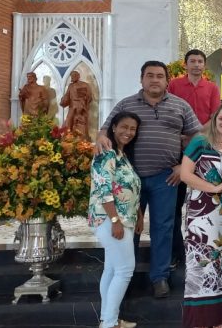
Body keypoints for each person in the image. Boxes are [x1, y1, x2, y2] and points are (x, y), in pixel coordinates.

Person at [97, 61, 202, 299]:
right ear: (141, 79)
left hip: (166, 177)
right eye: (150, 76)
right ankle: (127, 275)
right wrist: (99, 140)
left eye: (159, 76)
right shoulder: (126, 104)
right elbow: (105, 130)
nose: (155, 80)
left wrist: (182, 165)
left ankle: (160, 277)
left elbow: (198, 138)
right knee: (127, 228)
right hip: (128, 180)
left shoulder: (180, 105)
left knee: (163, 228)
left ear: (167, 80)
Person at [179, 103, 222, 328]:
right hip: (201, 212)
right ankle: (200, 318)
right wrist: (213, 188)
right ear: (215, 119)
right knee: (202, 260)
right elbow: (185, 174)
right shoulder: (200, 142)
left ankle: (220, 317)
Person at [88, 111, 144, 328]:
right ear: (113, 128)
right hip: (108, 219)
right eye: (124, 127)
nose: (128, 132)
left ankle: (108, 319)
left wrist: (138, 215)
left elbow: (132, 188)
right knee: (125, 269)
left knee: (112, 269)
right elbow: (104, 190)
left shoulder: (122, 155)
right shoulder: (106, 153)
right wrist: (115, 221)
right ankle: (109, 324)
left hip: (124, 219)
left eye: (132, 129)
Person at [168, 49, 222, 270]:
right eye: (193, 61)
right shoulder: (174, 85)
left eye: (200, 61)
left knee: (202, 198)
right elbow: (170, 109)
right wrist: (183, 136)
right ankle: (175, 251)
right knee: (174, 203)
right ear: (186, 64)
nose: (197, 65)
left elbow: (215, 117)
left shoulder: (211, 87)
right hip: (176, 146)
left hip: (202, 147)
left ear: (204, 65)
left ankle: (202, 246)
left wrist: (196, 136)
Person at [60, 70, 92, 138]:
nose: (73, 77)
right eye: (72, 76)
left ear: (78, 76)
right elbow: (67, 96)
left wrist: (84, 100)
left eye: (74, 75)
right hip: (73, 106)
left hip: (82, 106)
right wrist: (63, 100)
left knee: (81, 123)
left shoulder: (85, 85)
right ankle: (67, 137)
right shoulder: (71, 86)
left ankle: (82, 138)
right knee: (68, 121)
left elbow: (89, 97)